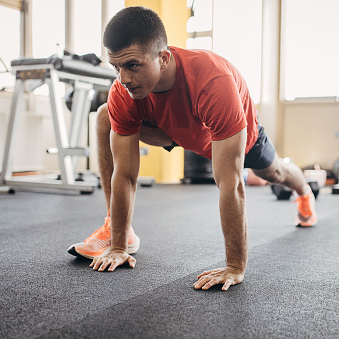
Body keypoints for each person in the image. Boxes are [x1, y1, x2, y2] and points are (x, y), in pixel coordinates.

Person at [67, 6, 318, 291]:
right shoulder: (124, 92)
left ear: (163, 59)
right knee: (104, 115)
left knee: (276, 172)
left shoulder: (212, 82)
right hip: (175, 130)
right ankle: (117, 229)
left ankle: (305, 192)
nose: (123, 78)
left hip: (234, 137)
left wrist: (235, 266)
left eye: (132, 65)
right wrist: (118, 247)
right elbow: (125, 175)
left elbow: (231, 183)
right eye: (117, 67)